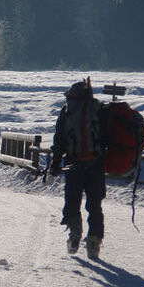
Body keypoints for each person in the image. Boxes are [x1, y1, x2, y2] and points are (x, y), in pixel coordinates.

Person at [49, 78, 107, 259]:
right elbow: (107, 137)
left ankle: (75, 234)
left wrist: (55, 164)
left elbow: (59, 139)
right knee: (95, 205)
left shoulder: (67, 112)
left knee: (72, 203)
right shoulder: (100, 110)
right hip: (96, 165)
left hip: (74, 165)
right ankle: (94, 241)